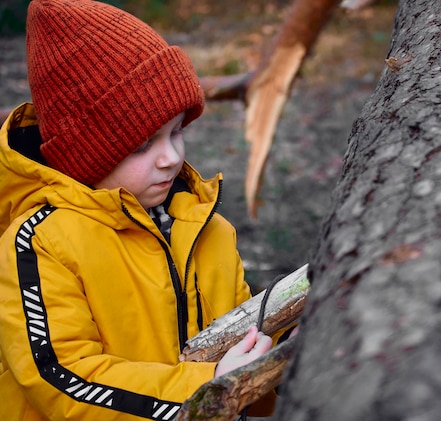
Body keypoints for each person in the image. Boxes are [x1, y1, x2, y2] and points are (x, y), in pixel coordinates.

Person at [0, 0, 277, 419]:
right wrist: (209, 388)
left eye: (177, 131)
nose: (170, 157)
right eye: (143, 144)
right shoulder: (38, 244)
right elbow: (63, 378)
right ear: (87, 155)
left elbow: (247, 333)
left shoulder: (209, 230)